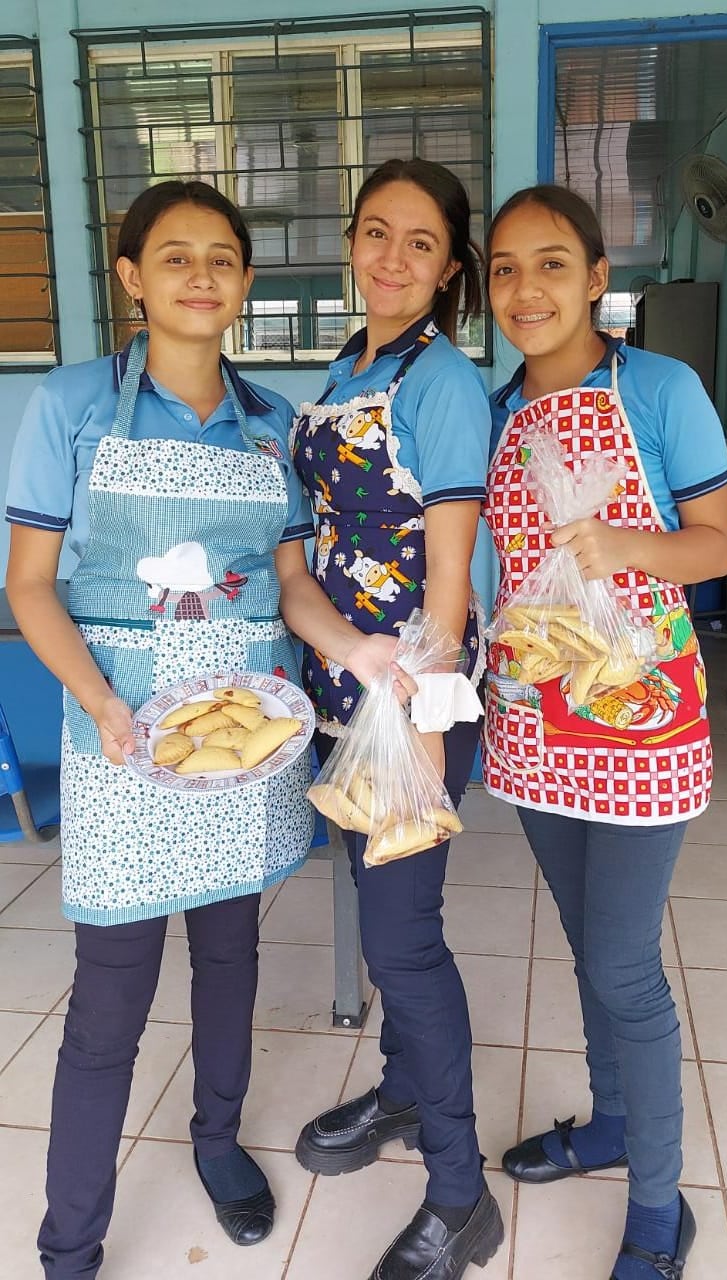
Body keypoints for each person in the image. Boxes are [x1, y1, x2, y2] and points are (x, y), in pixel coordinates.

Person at [4, 179, 400, 1279]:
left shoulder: (271, 423)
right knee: (109, 995)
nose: (198, 274)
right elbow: (31, 583)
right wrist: (98, 700)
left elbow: (288, 584)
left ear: (245, 283)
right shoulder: (76, 406)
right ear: (130, 277)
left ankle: (217, 1141)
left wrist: (348, 649)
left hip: (247, 728)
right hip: (122, 728)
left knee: (229, 952)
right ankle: (69, 1240)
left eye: (221, 256)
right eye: (172, 255)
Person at [482, 185, 727, 1280]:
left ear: (595, 277)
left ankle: (656, 1204)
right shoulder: (497, 410)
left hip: (640, 717)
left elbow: (718, 545)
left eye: (549, 263)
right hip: (536, 718)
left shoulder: (659, 389)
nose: (523, 288)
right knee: (588, 947)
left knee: (625, 963)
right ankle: (607, 1123)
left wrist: (625, 547)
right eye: (500, 267)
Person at [291, 158, 504, 1280]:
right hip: (345, 695)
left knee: (402, 938)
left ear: (450, 267)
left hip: (414, 702)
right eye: (374, 232)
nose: (389, 257)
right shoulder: (348, 366)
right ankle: (407, 1085)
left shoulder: (443, 382)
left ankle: (460, 1195)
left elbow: (451, 570)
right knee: (386, 921)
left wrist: (425, 718)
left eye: (418, 242)